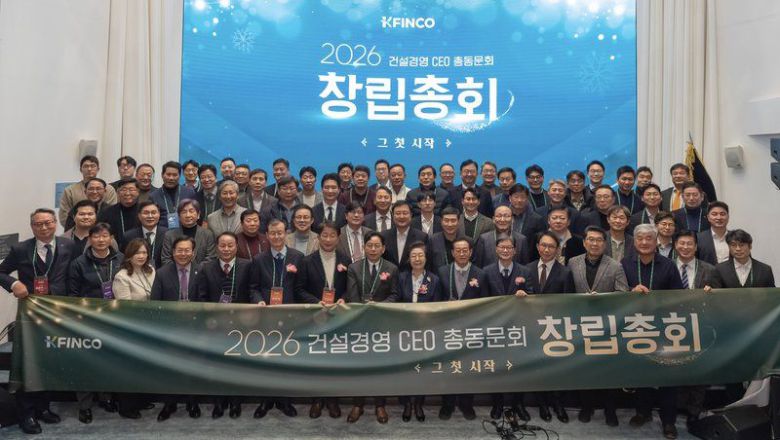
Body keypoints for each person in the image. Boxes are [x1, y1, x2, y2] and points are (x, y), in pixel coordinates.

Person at [0, 208, 78, 434]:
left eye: (48, 222)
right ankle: (27, 413)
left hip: (58, 312)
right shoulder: (20, 249)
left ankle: (43, 407)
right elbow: (1, 272)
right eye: (38, 224)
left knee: (49, 361)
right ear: (32, 226)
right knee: (28, 363)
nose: (44, 227)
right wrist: (14, 284)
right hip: (31, 314)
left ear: (55, 223)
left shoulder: (68, 245)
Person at [621, 224, 684, 440]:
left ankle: (669, 421)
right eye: (640, 238)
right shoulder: (625, 264)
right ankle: (643, 412)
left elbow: (678, 296)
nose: (644, 242)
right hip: (636, 327)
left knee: (668, 375)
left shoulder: (668, 265)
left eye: (649, 238)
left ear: (656, 241)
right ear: (634, 241)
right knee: (641, 371)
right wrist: (630, 291)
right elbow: (617, 293)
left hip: (665, 328)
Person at [67, 223, 130, 421]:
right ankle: (85, 405)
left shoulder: (121, 259)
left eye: (105, 236)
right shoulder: (78, 263)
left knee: (109, 360)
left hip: (115, 320)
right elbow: (73, 294)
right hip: (89, 320)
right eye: (96, 236)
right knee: (86, 362)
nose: (101, 240)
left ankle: (106, 397)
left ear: (111, 238)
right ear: (89, 239)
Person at [568, 226, 628, 427]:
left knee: (608, 370)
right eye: (591, 240)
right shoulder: (573, 262)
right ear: (584, 242)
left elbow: (623, 293)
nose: (594, 243)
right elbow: (567, 292)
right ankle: (587, 407)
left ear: (605, 243)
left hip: (607, 326)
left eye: (599, 240)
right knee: (584, 368)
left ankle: (610, 410)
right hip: (580, 325)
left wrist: (603, 299)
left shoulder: (615, 265)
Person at [295, 222, 351, 419]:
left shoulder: (346, 260)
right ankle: (317, 399)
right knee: (316, 360)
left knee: (335, 360)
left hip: (338, 317)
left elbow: (350, 287)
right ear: (318, 238)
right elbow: (299, 289)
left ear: (338, 238)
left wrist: (343, 298)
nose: (328, 239)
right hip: (315, 317)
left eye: (332, 235)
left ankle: (333, 399)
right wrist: (316, 302)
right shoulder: (306, 261)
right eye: (324, 235)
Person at [343, 231, 399, 423]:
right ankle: (357, 404)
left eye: (377, 246)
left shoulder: (391, 268)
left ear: (383, 249)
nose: (373, 249)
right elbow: (352, 296)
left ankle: (380, 405)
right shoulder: (354, 268)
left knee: (379, 366)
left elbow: (395, 295)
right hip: (359, 324)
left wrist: (379, 307)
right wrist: (363, 312)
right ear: (364, 247)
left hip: (382, 324)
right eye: (369, 245)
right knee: (359, 367)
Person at [196, 232, 252, 419]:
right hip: (215, 327)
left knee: (236, 366)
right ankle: (219, 402)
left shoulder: (247, 266)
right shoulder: (206, 268)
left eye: (230, 245)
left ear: (236, 247)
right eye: (222, 246)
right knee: (217, 365)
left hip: (241, 326)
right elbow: (201, 297)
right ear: (216, 247)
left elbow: (251, 292)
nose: (226, 249)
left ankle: (236, 402)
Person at [525, 231, 574, 423]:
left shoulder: (565, 272)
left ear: (557, 249)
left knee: (556, 368)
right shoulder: (527, 269)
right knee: (538, 368)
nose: (546, 249)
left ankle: (557, 404)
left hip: (555, 328)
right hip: (532, 327)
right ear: (538, 247)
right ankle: (542, 404)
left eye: (551, 246)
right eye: (543, 245)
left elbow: (569, 303)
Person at [151, 236, 201, 421]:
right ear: (173, 252)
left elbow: (206, 299)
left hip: (195, 328)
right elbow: (155, 302)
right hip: (170, 329)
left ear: (193, 253)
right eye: (179, 250)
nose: (183, 254)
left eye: (187, 250)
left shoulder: (201, 270)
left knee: (193, 367)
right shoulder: (162, 273)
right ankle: (169, 403)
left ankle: (192, 402)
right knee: (170, 368)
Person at [437, 237, 488, 421]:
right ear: (452, 253)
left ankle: (467, 404)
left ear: (471, 252)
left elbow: (485, 302)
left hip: (471, 327)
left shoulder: (480, 274)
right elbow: (436, 300)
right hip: (448, 328)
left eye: (465, 250)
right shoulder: (443, 272)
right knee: (448, 367)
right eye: (458, 250)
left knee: (468, 367)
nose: (462, 253)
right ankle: (447, 404)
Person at [483, 234, 532, 422]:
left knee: (519, 367)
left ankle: (518, 403)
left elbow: (534, 295)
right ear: (496, 250)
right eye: (502, 247)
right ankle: (497, 403)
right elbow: (482, 300)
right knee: (496, 367)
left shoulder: (525, 271)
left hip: (517, 328)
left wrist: (525, 295)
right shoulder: (486, 272)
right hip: (494, 328)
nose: (505, 250)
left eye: (509, 247)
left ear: (515, 250)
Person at [672, 230, 716, 428]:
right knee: (675, 365)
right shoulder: (667, 266)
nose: (685, 247)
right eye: (682, 243)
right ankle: (678, 405)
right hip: (672, 325)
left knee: (699, 368)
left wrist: (713, 293)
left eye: (690, 243)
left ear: (696, 247)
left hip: (700, 325)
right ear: (675, 245)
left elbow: (718, 299)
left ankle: (694, 410)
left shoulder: (709, 269)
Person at [397, 242, 445, 422]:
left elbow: (438, 307)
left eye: (420, 255)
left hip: (426, 332)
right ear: (408, 259)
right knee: (405, 369)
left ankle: (418, 403)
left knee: (422, 369)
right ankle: (406, 404)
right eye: (413, 256)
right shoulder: (401, 278)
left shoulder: (434, 279)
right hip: (404, 332)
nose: (417, 259)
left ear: (426, 258)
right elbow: (396, 302)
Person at [59, 155, 118, 227]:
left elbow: (112, 213)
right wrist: (81, 229)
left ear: (98, 169)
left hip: (102, 231)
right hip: (77, 231)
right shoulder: (70, 190)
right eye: (86, 166)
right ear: (80, 169)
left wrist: (97, 230)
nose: (89, 169)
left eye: (93, 166)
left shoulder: (109, 189)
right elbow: (64, 216)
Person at [711, 229, 775, 289]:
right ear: (729, 247)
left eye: (741, 245)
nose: (738, 249)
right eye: (733, 245)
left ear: (750, 246)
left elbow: (772, 294)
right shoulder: (720, 269)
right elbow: (716, 294)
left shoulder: (765, 270)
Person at [161, 199, 216, 266]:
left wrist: (194, 270)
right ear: (179, 216)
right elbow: (166, 259)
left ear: (198, 214)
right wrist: (181, 270)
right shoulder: (169, 235)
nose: (188, 215)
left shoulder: (207, 234)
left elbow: (211, 258)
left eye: (191, 211)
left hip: (201, 272)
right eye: (184, 212)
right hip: (175, 272)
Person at [381, 200, 428, 272]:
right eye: (398, 213)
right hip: (389, 277)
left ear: (411, 215)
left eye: (405, 213)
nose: (401, 216)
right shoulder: (383, 236)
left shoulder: (422, 237)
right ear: (393, 215)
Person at [121, 200, 168, 268]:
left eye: (153, 213)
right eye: (146, 213)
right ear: (139, 216)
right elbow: (124, 260)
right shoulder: (128, 236)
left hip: (162, 273)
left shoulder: (168, 234)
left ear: (159, 214)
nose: (150, 216)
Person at [150, 161, 197, 228]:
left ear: (179, 176)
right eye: (168, 174)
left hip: (186, 231)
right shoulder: (153, 196)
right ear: (162, 175)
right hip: (163, 232)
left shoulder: (189, 193)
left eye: (175, 175)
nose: (171, 178)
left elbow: (195, 214)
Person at [99, 177, 142, 246]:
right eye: (123, 190)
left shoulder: (144, 211)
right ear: (118, 192)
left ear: (138, 192)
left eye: (131, 189)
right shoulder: (107, 212)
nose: (127, 193)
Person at [697, 201, 731, 265]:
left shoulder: (736, 237)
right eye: (714, 214)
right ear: (708, 217)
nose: (719, 218)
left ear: (728, 217)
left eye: (722, 214)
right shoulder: (699, 238)